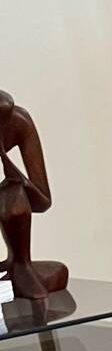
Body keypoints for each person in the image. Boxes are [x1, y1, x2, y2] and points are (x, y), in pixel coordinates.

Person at [0, 90, 67, 300]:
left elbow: (43, 201)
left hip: (14, 196)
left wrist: (11, 168)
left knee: (14, 194)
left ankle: (21, 266)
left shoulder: (19, 122)